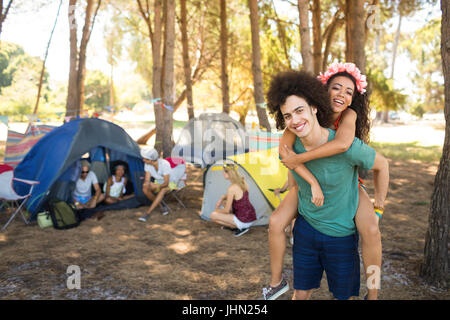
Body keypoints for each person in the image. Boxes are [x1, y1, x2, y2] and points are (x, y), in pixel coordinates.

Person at [263, 70, 389, 300]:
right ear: (322, 91)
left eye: (349, 91)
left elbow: (341, 144)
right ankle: (276, 281)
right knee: (276, 221)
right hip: (304, 180)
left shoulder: (348, 116)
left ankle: (373, 294)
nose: (342, 94)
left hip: (344, 181)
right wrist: (304, 179)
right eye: (336, 87)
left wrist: (379, 204)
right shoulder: (298, 118)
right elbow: (285, 151)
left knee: (371, 231)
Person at [209, 163, 257, 237]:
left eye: (223, 172)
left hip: (243, 220)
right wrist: (222, 198)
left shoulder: (231, 188)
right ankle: (236, 226)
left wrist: (217, 210)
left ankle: (239, 227)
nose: (222, 174)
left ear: (228, 173)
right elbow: (236, 195)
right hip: (251, 216)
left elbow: (226, 210)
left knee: (213, 215)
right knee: (225, 202)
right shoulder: (243, 182)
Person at [139, 148, 176, 222]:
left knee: (163, 190)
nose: (143, 160)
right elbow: (147, 179)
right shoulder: (147, 165)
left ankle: (148, 213)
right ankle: (160, 206)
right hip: (158, 182)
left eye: (145, 159)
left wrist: (157, 186)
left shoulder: (164, 164)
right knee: (145, 188)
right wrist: (147, 184)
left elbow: (166, 183)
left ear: (151, 160)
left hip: (171, 183)